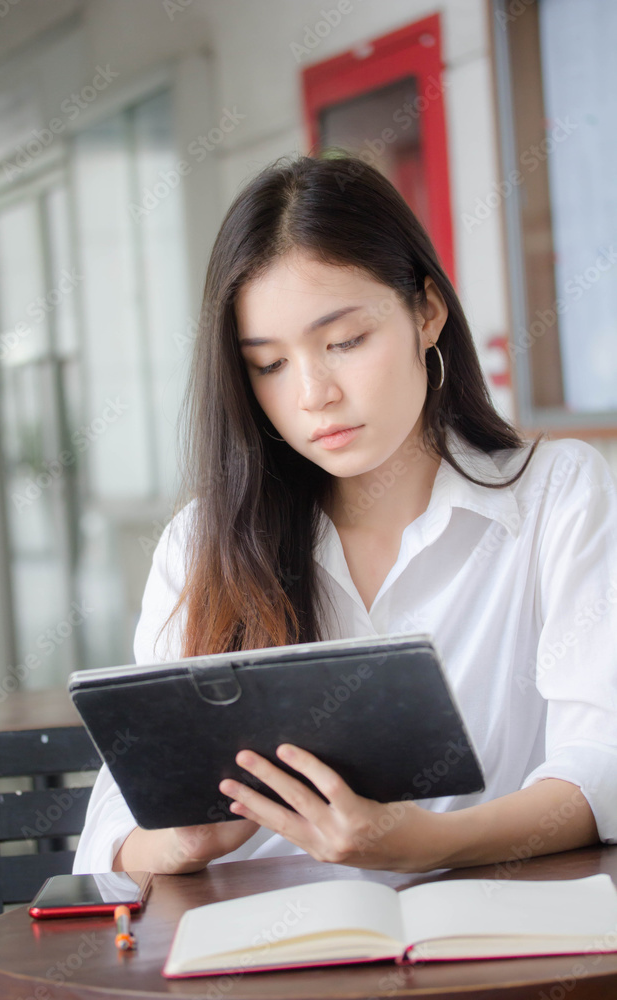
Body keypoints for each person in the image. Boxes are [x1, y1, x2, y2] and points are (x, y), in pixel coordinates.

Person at [73, 151, 617, 877]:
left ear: (426, 311)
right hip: (254, 962)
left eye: (343, 342)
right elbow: (112, 829)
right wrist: (182, 840)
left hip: (484, 953)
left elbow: (602, 765)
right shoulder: (205, 541)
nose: (312, 394)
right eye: (268, 364)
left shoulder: (554, 493)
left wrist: (425, 843)